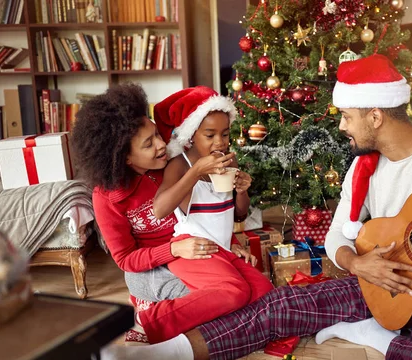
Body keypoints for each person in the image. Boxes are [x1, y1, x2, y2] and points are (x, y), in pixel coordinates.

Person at [99, 55, 412, 360]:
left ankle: (375, 335)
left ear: (375, 116)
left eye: (346, 117)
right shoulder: (363, 167)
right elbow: (339, 237)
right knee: (277, 306)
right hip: (375, 285)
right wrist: (360, 266)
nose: (340, 126)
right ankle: (149, 359)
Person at [72, 83, 271, 346]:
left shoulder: (167, 166)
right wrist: (175, 250)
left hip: (200, 252)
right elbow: (125, 259)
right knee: (231, 296)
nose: (161, 145)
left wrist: (231, 243)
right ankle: (150, 322)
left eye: (157, 134)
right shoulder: (107, 197)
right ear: (125, 157)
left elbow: (206, 214)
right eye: (148, 143)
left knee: (259, 293)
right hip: (152, 268)